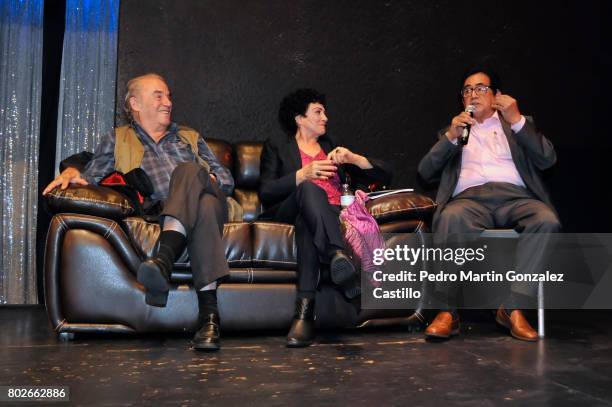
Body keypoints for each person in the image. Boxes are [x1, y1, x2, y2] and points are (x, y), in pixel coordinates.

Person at [42, 73, 234, 351]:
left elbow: (226, 180)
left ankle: (163, 260)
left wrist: (205, 180)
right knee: (200, 207)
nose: (167, 102)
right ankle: (209, 319)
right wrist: (71, 171)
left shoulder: (190, 137)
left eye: (169, 96)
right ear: (135, 103)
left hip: (213, 199)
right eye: (159, 95)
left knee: (190, 174)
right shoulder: (116, 139)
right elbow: (91, 177)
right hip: (167, 211)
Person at [417, 65, 561, 342]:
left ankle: (513, 306)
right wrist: (450, 137)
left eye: (481, 88)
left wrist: (517, 120)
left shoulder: (517, 123)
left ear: (497, 95)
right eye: (467, 90)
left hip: (516, 197)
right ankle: (448, 311)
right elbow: (425, 172)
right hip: (469, 200)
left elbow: (548, 160)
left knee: (547, 220)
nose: (473, 94)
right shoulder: (453, 131)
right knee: (450, 217)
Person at [259, 88, 391, 347]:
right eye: (318, 112)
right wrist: (302, 174)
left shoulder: (331, 146)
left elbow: (386, 174)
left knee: (308, 226)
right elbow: (266, 191)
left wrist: (353, 158)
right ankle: (335, 254)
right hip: (289, 208)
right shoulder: (277, 145)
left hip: (330, 215)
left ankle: (304, 317)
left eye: (325, 112)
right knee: (309, 188)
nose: (325, 117)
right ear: (299, 118)